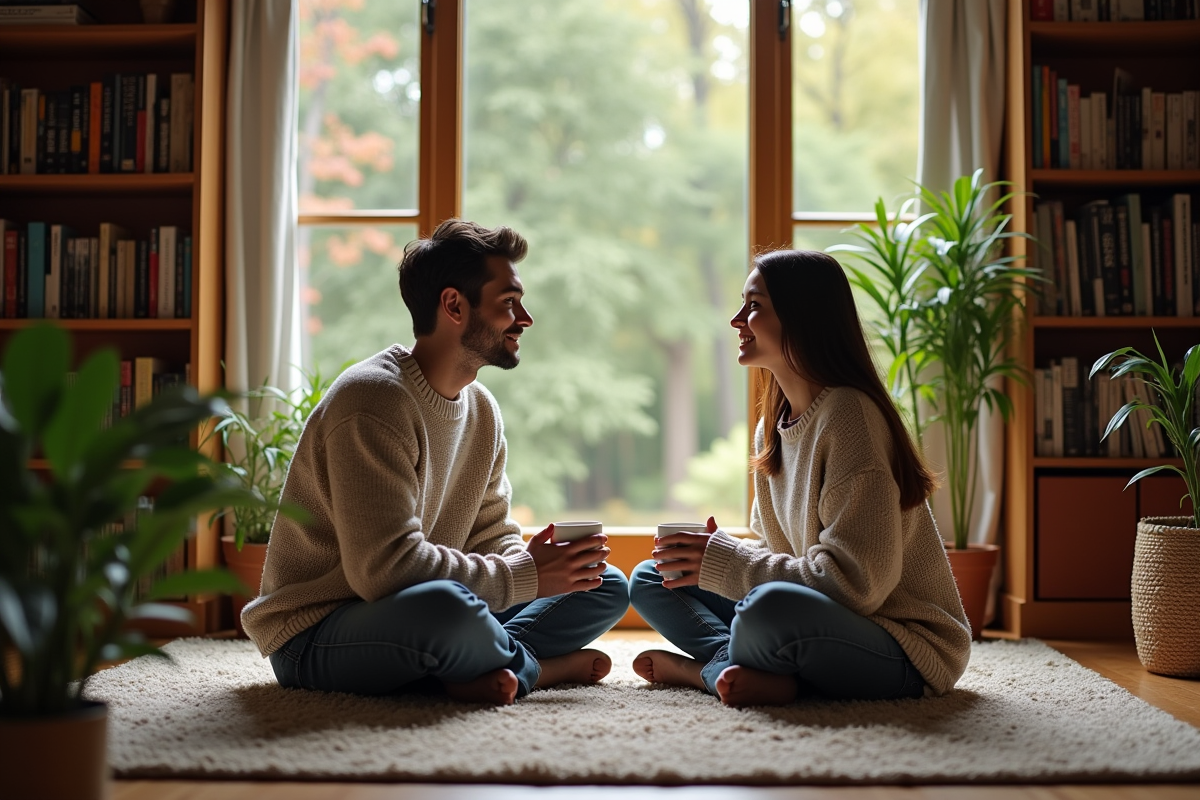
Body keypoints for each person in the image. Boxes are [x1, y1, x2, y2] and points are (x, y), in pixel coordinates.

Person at [242, 219, 630, 705]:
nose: (525, 318)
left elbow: (491, 532)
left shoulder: (481, 408)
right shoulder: (374, 400)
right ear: (453, 306)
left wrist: (532, 565)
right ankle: (536, 670)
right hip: (320, 630)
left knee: (603, 584)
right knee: (449, 613)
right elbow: (384, 572)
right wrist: (524, 576)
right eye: (509, 303)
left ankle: (476, 665)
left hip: (422, 607)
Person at [628, 249, 971, 706]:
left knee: (766, 612)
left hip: (902, 644)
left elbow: (855, 587)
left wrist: (730, 564)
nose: (736, 319)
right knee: (653, 577)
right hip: (822, 619)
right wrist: (711, 557)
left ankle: (711, 669)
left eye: (754, 305)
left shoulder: (850, 417)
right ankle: (731, 666)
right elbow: (781, 555)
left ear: (802, 317)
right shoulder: (771, 426)